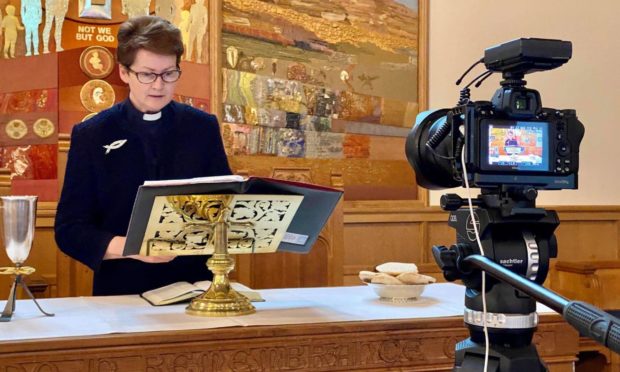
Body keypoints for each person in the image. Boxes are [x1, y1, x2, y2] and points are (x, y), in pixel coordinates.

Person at [55, 16, 231, 296]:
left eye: (169, 73)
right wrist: (135, 247)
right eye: (147, 74)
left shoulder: (203, 127)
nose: (159, 85)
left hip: (196, 288)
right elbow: (69, 230)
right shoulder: (92, 134)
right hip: (122, 292)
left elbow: (225, 206)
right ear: (125, 72)